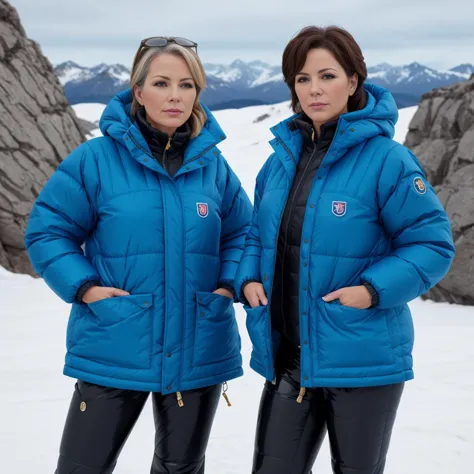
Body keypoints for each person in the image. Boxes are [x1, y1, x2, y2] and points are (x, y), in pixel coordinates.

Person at [24, 36, 252, 474]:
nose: (174, 96)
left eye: (186, 85)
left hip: (197, 344)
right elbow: (48, 231)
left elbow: (242, 232)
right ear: (138, 90)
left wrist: (226, 285)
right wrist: (86, 288)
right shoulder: (95, 159)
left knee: (180, 467)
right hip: (115, 340)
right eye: (162, 83)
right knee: (81, 466)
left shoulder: (213, 166)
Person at [234, 26, 455, 474]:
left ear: (353, 82)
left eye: (327, 75)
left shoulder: (387, 160)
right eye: (302, 79)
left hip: (362, 359)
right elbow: (257, 234)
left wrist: (371, 290)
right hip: (291, 358)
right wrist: (249, 277)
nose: (314, 89)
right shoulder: (278, 163)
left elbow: (431, 244)